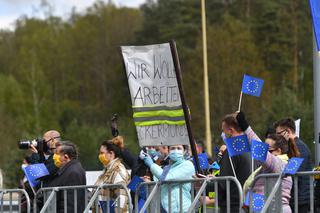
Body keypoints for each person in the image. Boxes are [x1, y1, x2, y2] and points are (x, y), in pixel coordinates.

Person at [274, 118, 313, 212]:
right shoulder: (293, 147)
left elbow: (291, 173)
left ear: (288, 131)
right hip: (295, 199)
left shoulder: (299, 148)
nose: (277, 137)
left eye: (278, 134)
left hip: (300, 202)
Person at [142, 144, 195, 213]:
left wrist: (152, 165)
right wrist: (149, 181)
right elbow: (161, 183)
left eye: (179, 148)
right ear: (168, 150)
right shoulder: (167, 168)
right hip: (167, 209)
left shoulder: (187, 165)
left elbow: (167, 178)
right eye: (173, 148)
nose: (176, 151)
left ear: (184, 151)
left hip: (183, 209)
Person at [217, 113, 251, 213]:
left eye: (223, 130)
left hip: (233, 205)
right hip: (250, 202)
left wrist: (207, 188)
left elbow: (223, 182)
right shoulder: (252, 144)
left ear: (231, 130)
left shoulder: (233, 147)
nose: (222, 134)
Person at [47, 141, 86, 213]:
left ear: (66, 157)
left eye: (57, 153)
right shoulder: (67, 169)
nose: (54, 156)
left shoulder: (73, 172)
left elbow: (70, 204)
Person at [94, 136, 130, 212]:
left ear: (111, 153)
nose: (100, 156)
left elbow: (122, 199)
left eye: (102, 153)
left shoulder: (118, 170)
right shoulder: (107, 170)